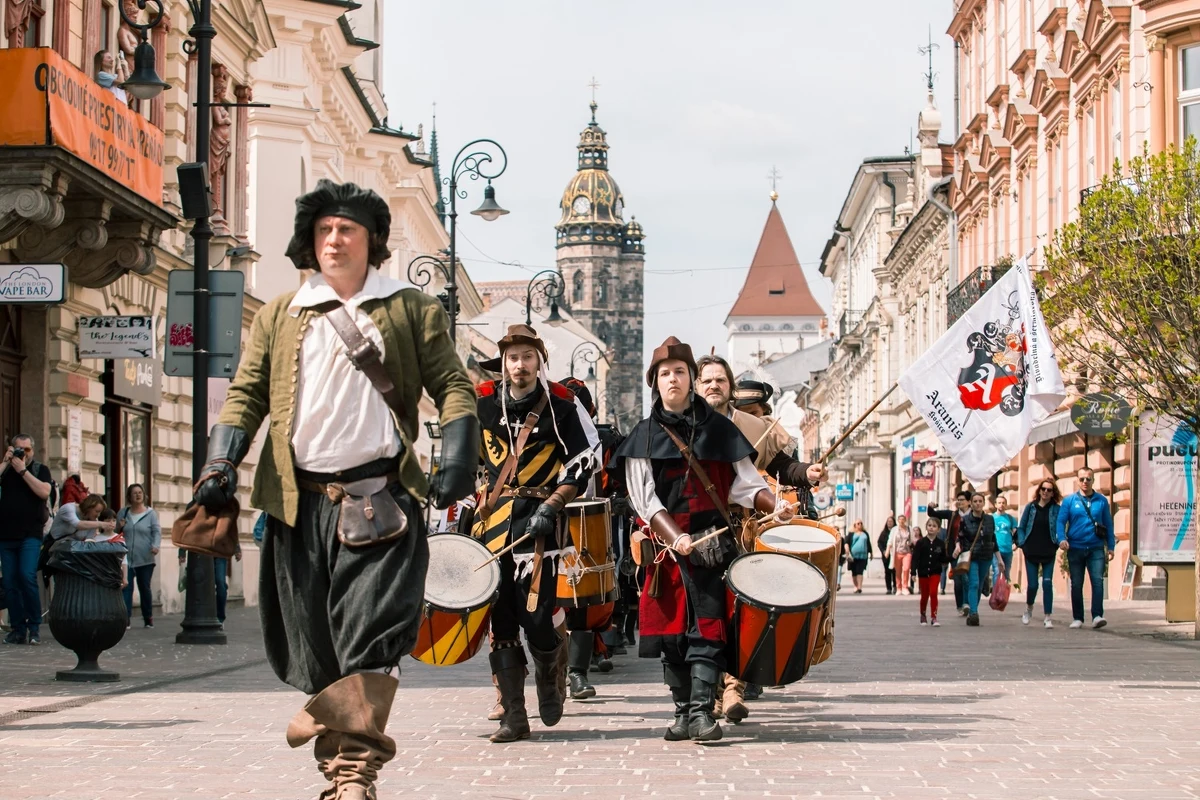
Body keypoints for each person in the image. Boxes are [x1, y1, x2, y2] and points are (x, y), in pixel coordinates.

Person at [197, 179, 479, 799]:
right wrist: (221, 462)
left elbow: (454, 386)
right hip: (297, 506)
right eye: (324, 229)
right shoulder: (280, 313)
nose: (333, 239)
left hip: (379, 501)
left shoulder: (409, 308)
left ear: (372, 240)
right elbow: (245, 394)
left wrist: (459, 452)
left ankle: (354, 776)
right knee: (314, 648)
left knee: (370, 638)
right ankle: (337, 761)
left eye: (346, 229)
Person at [611, 336, 790, 742]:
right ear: (653, 382)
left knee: (708, 628)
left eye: (679, 372)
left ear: (691, 379)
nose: (672, 379)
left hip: (713, 547)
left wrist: (773, 503)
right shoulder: (642, 436)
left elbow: (745, 485)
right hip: (666, 552)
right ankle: (680, 710)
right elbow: (644, 499)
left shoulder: (720, 430)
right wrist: (675, 538)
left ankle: (700, 713)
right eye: (664, 373)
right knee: (670, 635)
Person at [472, 324, 598, 743]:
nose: (520, 365)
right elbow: (469, 457)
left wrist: (553, 505)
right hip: (492, 527)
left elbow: (586, 455)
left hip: (540, 524)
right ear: (504, 363)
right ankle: (513, 715)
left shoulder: (561, 404)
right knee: (501, 618)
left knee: (538, 617)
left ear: (539, 361)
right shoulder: (484, 402)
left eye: (527, 357)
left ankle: (551, 673)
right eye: (513, 358)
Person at [694, 354, 826, 721]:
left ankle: (734, 686)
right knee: (708, 611)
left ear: (730, 387)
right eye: (707, 380)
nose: (714, 386)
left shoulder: (752, 426)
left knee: (742, 608)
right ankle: (711, 690)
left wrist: (807, 472)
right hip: (698, 530)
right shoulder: (684, 423)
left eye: (721, 379)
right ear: (697, 386)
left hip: (745, 528)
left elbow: (781, 466)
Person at [0, 435, 54, 646]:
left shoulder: (40, 469)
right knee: (10, 582)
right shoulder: (5, 470)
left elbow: (44, 492)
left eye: (27, 449)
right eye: (19, 449)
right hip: (5, 535)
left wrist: (22, 470)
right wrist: (6, 462)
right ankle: (17, 629)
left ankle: (34, 627)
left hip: (30, 535)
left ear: (33, 450)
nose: (24, 453)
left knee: (27, 576)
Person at [1057, 467, 1115, 630]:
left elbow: (1108, 524)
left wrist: (1110, 546)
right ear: (1077, 480)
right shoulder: (1069, 501)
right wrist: (1062, 539)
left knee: (1097, 582)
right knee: (1076, 583)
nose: (1085, 482)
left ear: (1093, 480)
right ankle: (1078, 618)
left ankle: (1097, 615)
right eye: (1082, 479)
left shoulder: (1101, 501)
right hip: (1075, 547)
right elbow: (1061, 522)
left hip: (1096, 547)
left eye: (1088, 479)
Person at [1017, 479, 1062, 628]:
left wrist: (1059, 540)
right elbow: (1021, 527)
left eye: (1049, 490)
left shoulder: (1056, 509)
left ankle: (1048, 617)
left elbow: (1061, 526)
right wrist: (1022, 542)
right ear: (1039, 490)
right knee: (1033, 585)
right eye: (1043, 489)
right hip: (1031, 550)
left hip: (1049, 549)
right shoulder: (1031, 507)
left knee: (1047, 583)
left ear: (1053, 493)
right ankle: (1028, 609)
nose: (1045, 492)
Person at [116, 484, 161, 629]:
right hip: (126, 558)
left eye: (140, 492)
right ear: (129, 496)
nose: (138, 495)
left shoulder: (151, 514)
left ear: (144, 495)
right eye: (134, 493)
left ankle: (148, 618)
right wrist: (119, 527)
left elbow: (156, 531)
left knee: (144, 588)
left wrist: (155, 545)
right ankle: (126, 619)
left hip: (145, 557)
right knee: (126, 587)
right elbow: (115, 533)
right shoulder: (123, 513)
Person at [951, 493, 997, 626]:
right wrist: (958, 547)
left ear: (983, 503)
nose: (977, 503)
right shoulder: (965, 520)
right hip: (972, 557)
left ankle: (972, 612)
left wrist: (999, 559)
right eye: (975, 501)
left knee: (980, 585)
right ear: (971, 503)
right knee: (974, 583)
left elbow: (992, 539)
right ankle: (974, 613)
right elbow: (960, 536)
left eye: (980, 501)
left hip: (986, 556)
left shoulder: (989, 519)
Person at [928, 491, 972, 614]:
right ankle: (960, 605)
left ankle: (967, 603)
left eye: (962, 499)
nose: (960, 502)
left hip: (969, 551)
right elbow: (933, 514)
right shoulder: (952, 515)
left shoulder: (974, 515)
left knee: (967, 578)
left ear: (969, 502)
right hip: (954, 552)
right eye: (958, 499)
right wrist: (931, 507)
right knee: (958, 578)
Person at [912, 518, 949, 626]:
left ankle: (934, 617)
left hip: (935, 572)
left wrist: (953, 557)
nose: (931, 528)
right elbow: (915, 558)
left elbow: (943, 559)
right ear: (926, 527)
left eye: (934, 526)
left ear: (938, 529)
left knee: (933, 593)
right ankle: (923, 615)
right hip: (923, 572)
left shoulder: (940, 543)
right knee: (924, 596)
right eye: (929, 525)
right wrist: (913, 572)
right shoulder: (920, 542)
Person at [885, 514, 915, 595]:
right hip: (897, 552)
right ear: (898, 521)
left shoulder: (909, 529)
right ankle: (899, 588)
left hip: (907, 552)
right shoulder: (894, 530)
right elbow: (890, 540)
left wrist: (911, 543)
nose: (901, 521)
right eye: (900, 519)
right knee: (898, 571)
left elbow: (913, 540)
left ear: (905, 520)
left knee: (906, 569)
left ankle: (905, 587)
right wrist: (887, 551)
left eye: (903, 519)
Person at [992, 495, 1017, 582]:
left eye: (1003, 503)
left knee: (1006, 574)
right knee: (997, 571)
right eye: (999, 503)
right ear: (995, 505)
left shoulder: (1010, 518)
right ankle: (996, 594)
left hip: (1008, 550)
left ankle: (1004, 594)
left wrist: (1017, 544)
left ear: (1006, 505)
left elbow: (1016, 533)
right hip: (995, 550)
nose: (1001, 505)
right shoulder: (991, 518)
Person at [846, 520, 872, 594]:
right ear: (854, 525)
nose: (860, 525)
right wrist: (847, 552)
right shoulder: (851, 534)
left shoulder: (865, 533)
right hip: (853, 556)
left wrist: (871, 553)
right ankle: (856, 586)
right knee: (854, 572)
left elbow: (868, 543)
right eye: (858, 523)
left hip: (863, 556)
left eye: (861, 523)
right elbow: (846, 542)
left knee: (860, 571)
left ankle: (860, 587)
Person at [877, 513, 896, 595]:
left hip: (894, 554)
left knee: (895, 571)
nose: (889, 523)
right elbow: (879, 543)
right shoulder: (884, 533)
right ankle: (889, 588)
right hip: (886, 555)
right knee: (887, 572)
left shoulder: (896, 531)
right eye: (888, 521)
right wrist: (883, 551)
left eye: (891, 521)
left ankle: (895, 586)